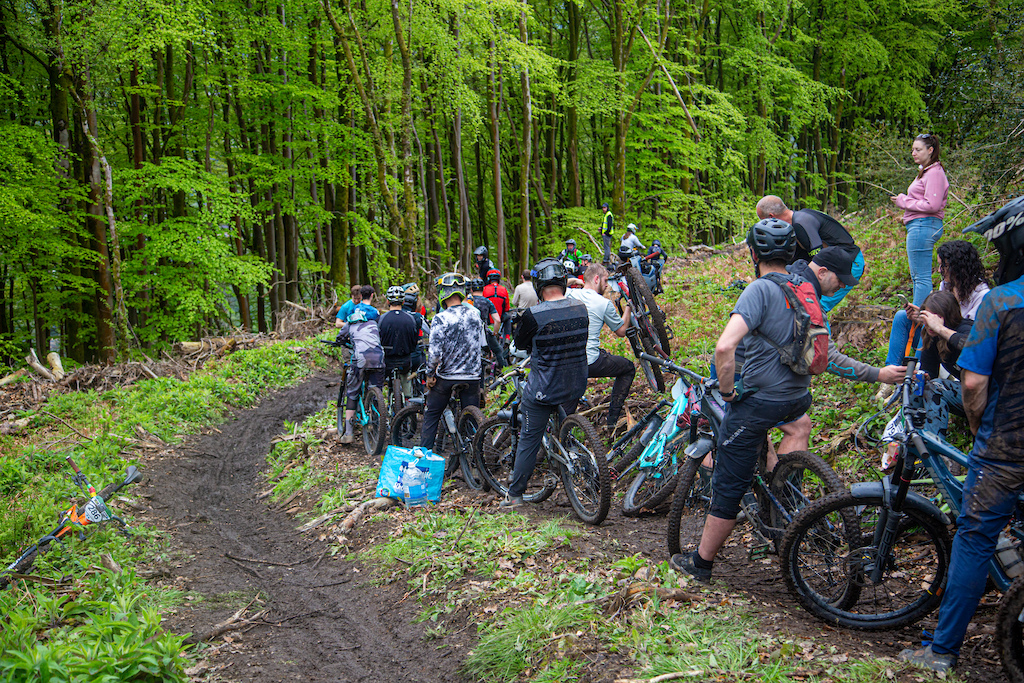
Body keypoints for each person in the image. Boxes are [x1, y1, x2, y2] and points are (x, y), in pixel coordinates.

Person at [898, 194, 1024, 674]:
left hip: (1006, 445)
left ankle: (942, 651)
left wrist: (978, 430)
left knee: (974, 538)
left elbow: (973, 383)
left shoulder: (1002, 300)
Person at [668, 219, 814, 581]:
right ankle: (781, 501)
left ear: (753, 253)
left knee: (728, 482)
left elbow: (724, 346)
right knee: (793, 427)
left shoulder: (758, 290)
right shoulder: (803, 288)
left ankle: (700, 564)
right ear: (792, 252)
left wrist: (730, 392)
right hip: (797, 398)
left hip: (760, 402)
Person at [500, 259, 589, 508]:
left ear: (538, 286)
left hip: (544, 388)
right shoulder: (580, 308)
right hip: (575, 383)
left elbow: (519, 344)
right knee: (562, 428)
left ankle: (515, 494)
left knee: (529, 438)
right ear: (562, 281)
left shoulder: (534, 314)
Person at [883, 240, 990, 368]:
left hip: (959, 347)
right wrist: (923, 316)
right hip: (939, 339)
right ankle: (891, 370)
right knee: (902, 317)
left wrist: (935, 324)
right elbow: (941, 315)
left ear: (956, 266)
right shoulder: (946, 285)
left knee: (932, 331)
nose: (939, 270)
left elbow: (968, 333)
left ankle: (921, 368)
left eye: (943, 266)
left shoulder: (982, 295)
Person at [756, 195, 864, 312]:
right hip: (833, 264)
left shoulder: (802, 223)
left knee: (814, 307)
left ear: (771, 217)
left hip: (850, 261)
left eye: (763, 220)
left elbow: (818, 260)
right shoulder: (794, 224)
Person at [566, 263, 636, 429]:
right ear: (596, 278)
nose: (607, 285)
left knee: (569, 401)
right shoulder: (603, 303)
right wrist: (628, 308)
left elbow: (556, 285)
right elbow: (621, 331)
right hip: (590, 362)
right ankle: (612, 421)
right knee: (628, 368)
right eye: (605, 280)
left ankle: (561, 436)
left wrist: (574, 279)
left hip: (566, 361)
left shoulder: (569, 293)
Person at [421, 273, 484, 451]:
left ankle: (423, 457)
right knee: (471, 420)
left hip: (447, 377)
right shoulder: (475, 315)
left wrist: (430, 375)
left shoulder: (441, 318)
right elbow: (480, 345)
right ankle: (475, 458)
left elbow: (434, 353)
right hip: (472, 377)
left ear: (442, 293)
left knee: (432, 413)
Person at [890, 133, 949, 307]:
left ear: (930, 150)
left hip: (923, 226)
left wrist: (903, 201)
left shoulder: (934, 173)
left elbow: (933, 205)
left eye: (918, 149)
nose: (913, 153)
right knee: (918, 276)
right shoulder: (927, 172)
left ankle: (919, 318)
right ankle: (921, 317)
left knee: (920, 277)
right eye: (912, 150)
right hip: (920, 225)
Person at [335, 308, 385, 444]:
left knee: (352, 392)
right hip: (379, 359)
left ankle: (349, 433)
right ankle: (376, 426)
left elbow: (339, 339)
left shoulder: (349, 325)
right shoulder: (373, 324)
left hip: (360, 360)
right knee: (376, 390)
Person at [378, 286, 426, 400]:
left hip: (387, 360)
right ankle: (407, 403)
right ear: (403, 301)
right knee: (406, 381)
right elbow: (414, 339)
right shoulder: (411, 318)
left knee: (385, 381)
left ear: (388, 301)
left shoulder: (381, 319)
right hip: (405, 360)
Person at [469, 278, 506, 374]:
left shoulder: (469, 302)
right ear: (483, 289)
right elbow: (497, 320)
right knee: (498, 350)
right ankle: (503, 372)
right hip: (484, 333)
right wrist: (494, 332)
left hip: (469, 333)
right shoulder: (487, 302)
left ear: (471, 290)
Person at [483, 269, 511, 337]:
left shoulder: (485, 289)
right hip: (500, 318)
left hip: (488, 319)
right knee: (509, 317)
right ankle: (507, 337)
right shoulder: (504, 289)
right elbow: (507, 308)